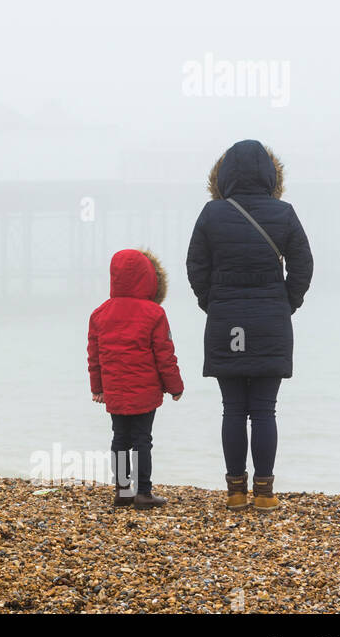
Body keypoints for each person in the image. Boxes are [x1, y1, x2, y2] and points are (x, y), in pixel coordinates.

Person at [186, 140, 313, 512]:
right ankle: (265, 492)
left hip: (226, 321)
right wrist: (286, 303)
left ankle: (235, 492)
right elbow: (303, 266)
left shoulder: (211, 214)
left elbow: (196, 266)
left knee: (232, 409)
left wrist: (212, 302)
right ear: (270, 175)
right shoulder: (284, 213)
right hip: (271, 320)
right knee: (264, 410)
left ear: (224, 175)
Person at [87, 248, 185, 510]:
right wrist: (174, 386)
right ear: (149, 279)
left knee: (120, 438)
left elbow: (94, 357)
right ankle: (143, 492)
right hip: (145, 392)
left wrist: (97, 388)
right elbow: (165, 354)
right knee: (143, 440)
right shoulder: (154, 313)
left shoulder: (99, 314)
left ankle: (122, 490)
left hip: (115, 390)